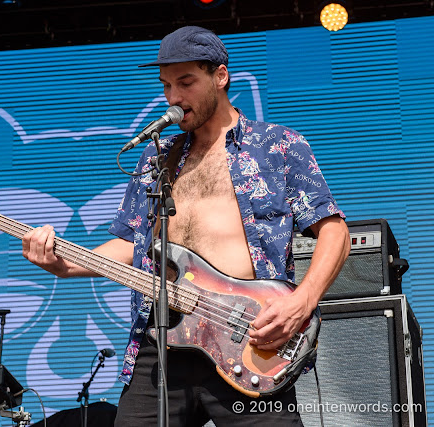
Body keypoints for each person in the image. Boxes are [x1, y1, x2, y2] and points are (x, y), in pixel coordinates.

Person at [22, 26, 350, 426]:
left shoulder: (277, 146)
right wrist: (65, 263)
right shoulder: (157, 158)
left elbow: (334, 231)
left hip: (248, 341)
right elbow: (132, 245)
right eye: (166, 86)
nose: (173, 98)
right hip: (161, 344)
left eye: (186, 82)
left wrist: (302, 302)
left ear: (220, 76)